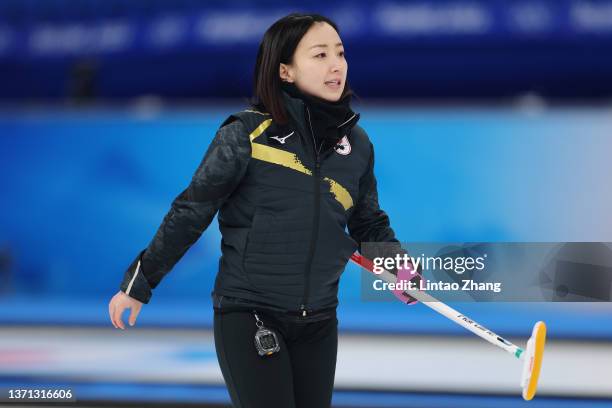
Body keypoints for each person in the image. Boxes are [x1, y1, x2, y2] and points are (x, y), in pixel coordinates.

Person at [108, 12, 420, 408]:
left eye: (340, 53)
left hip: (319, 321)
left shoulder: (356, 144)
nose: (336, 65)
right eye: (320, 55)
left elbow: (368, 222)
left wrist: (400, 267)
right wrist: (140, 281)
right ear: (285, 71)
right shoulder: (245, 133)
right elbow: (191, 211)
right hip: (251, 314)